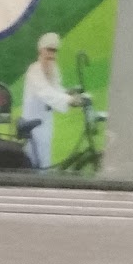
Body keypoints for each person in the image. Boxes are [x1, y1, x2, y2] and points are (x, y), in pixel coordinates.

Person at [20, 32, 88, 169]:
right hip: (33, 123)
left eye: (55, 51)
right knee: (34, 160)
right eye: (49, 50)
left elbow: (56, 89)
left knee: (44, 159)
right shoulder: (34, 70)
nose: (52, 55)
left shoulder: (53, 69)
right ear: (41, 51)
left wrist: (69, 93)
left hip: (45, 123)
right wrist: (70, 100)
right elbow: (45, 92)